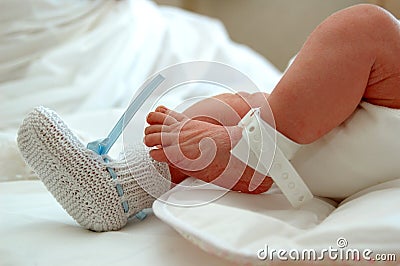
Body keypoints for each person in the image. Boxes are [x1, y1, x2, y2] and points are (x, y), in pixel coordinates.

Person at [17, 4, 400, 231]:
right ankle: (124, 186)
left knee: (367, 26)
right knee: (235, 106)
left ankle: (252, 147)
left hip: (340, 151)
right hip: (350, 146)